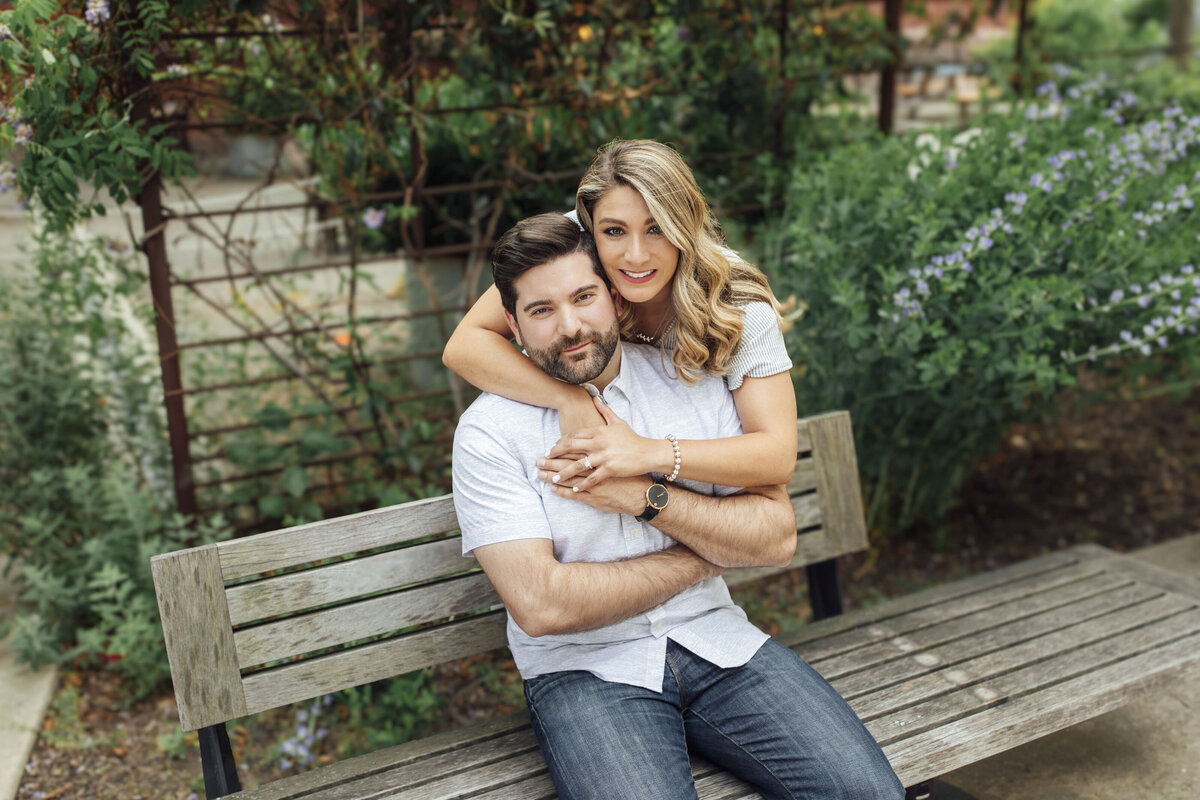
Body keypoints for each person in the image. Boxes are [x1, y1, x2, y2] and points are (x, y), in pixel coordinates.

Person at [451, 213, 904, 800]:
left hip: (718, 643)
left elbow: (774, 534)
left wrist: (645, 497)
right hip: (587, 672)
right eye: (541, 311)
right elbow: (543, 606)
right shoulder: (490, 432)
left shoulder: (685, 379)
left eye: (584, 297)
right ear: (510, 323)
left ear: (615, 298)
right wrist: (703, 557)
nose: (569, 327)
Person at [443, 138, 798, 495]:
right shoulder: (575, 244)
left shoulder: (737, 303)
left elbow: (777, 455)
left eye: (656, 228)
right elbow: (465, 347)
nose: (636, 255)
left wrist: (649, 452)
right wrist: (569, 398)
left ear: (685, 227)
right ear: (591, 227)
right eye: (614, 231)